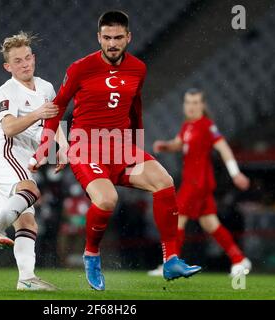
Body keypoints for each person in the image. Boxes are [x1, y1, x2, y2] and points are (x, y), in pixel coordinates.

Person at [29, 11, 201, 291]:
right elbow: (58, 106)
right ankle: (92, 254)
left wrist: (136, 146)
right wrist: (47, 146)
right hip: (85, 147)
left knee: (165, 182)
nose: (112, 43)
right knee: (108, 200)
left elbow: (135, 108)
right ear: (99, 37)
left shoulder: (138, 69)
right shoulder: (80, 68)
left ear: (128, 38)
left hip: (121, 148)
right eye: (107, 37)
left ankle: (171, 260)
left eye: (118, 37)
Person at [0, 32, 62, 290]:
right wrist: (37, 112)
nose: (25, 64)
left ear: (34, 58)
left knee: (27, 222)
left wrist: (65, 149)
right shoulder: (7, 91)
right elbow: (9, 128)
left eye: (28, 58)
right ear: (8, 67)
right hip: (5, 156)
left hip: (23, 160)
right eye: (18, 61)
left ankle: (26, 280)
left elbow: (52, 123)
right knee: (31, 190)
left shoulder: (46, 87)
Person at [149, 88, 252, 277]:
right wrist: (166, 146)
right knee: (210, 224)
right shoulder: (188, 126)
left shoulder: (206, 126)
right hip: (194, 183)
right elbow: (178, 143)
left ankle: (170, 263)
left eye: (196, 102)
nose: (191, 106)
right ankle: (239, 259)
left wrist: (235, 173)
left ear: (203, 105)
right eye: (188, 102)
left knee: (176, 219)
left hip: (197, 183)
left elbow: (223, 148)